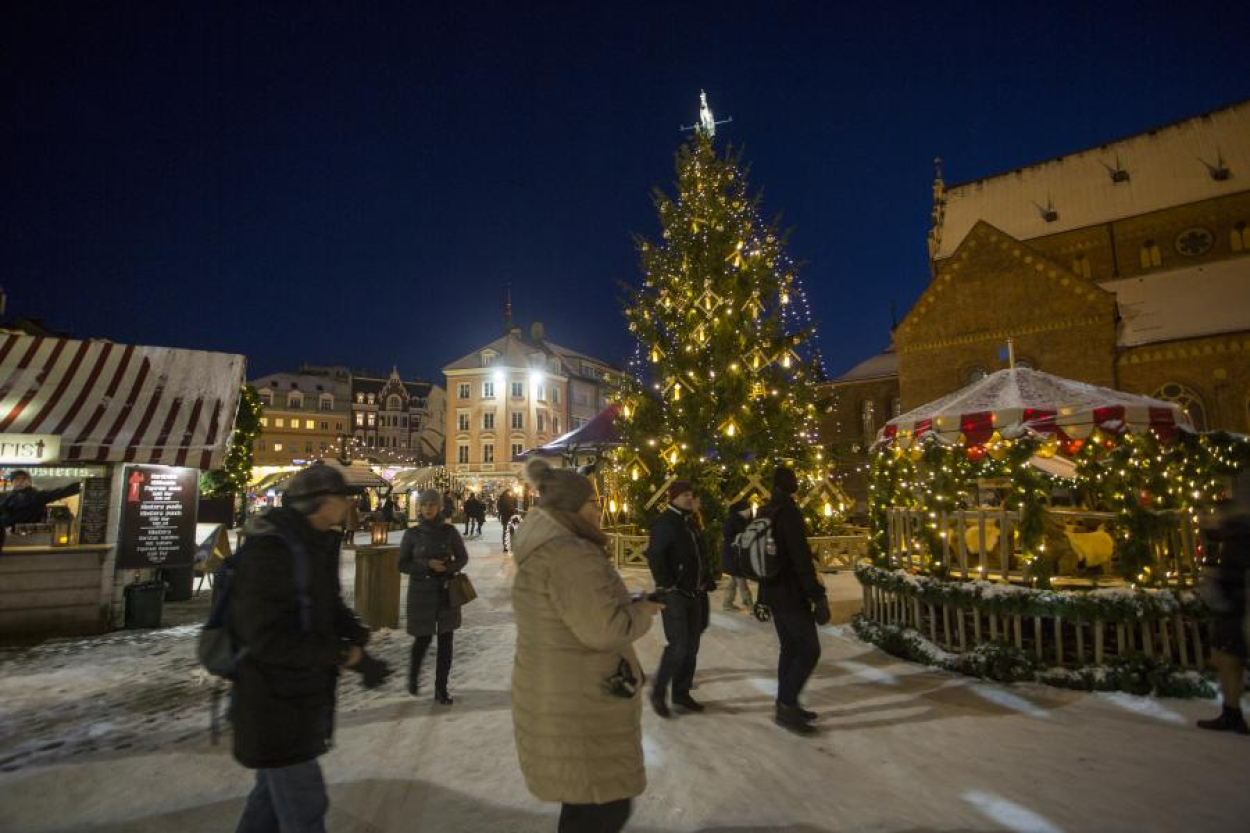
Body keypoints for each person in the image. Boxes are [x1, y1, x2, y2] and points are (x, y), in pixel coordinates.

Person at [230, 464, 391, 832]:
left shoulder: (314, 543)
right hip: (273, 702)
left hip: (299, 699)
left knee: (267, 806)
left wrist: (355, 633)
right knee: (304, 809)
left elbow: (324, 603)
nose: (351, 505)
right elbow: (267, 638)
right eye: (343, 498)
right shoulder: (272, 551)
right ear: (321, 503)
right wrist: (343, 654)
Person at [511, 459, 661, 833]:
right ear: (572, 508)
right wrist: (644, 609)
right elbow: (604, 630)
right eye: (593, 502)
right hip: (581, 702)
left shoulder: (546, 547)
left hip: (562, 693)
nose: (599, 508)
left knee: (583, 805)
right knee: (603, 807)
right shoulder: (569, 554)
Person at [761, 466, 831, 735]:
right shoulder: (787, 513)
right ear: (785, 484)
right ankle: (787, 705)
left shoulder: (767, 510)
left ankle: (785, 704)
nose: (797, 481)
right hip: (791, 592)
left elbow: (767, 556)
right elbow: (800, 558)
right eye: (793, 479)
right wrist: (817, 595)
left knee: (790, 649)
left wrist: (763, 597)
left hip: (775, 591)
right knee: (809, 650)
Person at [646, 480, 710, 717]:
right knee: (679, 646)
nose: (689, 498)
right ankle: (658, 692)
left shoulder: (689, 522)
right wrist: (668, 584)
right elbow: (655, 556)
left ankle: (681, 693)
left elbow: (699, 554)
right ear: (673, 497)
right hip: (675, 594)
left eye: (691, 494)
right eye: (685, 494)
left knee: (692, 646)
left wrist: (706, 577)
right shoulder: (666, 523)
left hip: (694, 592)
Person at [399, 489, 469, 704]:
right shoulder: (411, 534)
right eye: (425, 504)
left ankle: (441, 689)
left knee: (445, 642)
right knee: (423, 639)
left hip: (446, 592)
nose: (428, 508)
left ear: (439, 507)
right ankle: (413, 677)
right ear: (420, 507)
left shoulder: (449, 532)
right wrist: (426, 564)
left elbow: (463, 557)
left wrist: (449, 567)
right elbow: (402, 564)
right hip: (421, 594)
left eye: (432, 504)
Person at [1197, 470, 1250, 735]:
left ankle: (1232, 713)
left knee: (1228, 658)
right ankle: (1231, 711)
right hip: (1231, 601)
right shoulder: (1233, 534)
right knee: (1225, 657)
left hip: (1237, 602)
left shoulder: (1240, 532)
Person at [0, 470, 82, 553]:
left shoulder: (36, 496)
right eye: (17, 479)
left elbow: (58, 493)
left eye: (23, 479)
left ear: (29, 482)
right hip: (11, 538)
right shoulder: (10, 496)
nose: (20, 482)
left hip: (28, 538)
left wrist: (79, 486)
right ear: (12, 482)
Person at [720, 499, 755, 612]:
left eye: (749, 510)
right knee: (741, 579)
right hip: (734, 555)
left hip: (734, 555)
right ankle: (749, 604)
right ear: (740, 511)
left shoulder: (740, 521)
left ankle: (727, 603)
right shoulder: (736, 521)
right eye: (746, 510)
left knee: (735, 580)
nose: (748, 512)